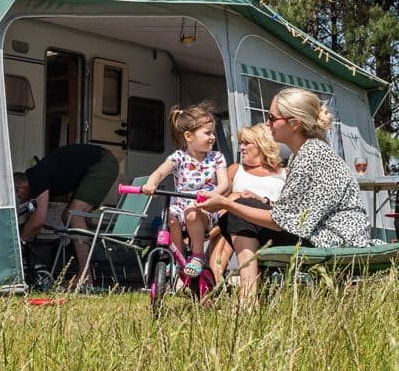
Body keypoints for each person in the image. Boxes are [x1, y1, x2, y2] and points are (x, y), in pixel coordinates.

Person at [199, 87, 375, 299]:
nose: (267, 123)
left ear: (294, 124)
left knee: (237, 213)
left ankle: (248, 298)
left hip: (333, 240)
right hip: (325, 234)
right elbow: (297, 211)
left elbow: (284, 222)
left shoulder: (311, 155)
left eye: (272, 118)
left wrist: (227, 204)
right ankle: (250, 295)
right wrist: (259, 201)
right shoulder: (304, 153)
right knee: (241, 209)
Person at [142, 102, 229, 279]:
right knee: (170, 219)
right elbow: (159, 172)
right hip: (179, 206)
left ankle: (197, 257)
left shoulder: (216, 158)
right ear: (189, 136)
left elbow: (224, 184)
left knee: (191, 212)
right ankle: (178, 257)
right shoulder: (178, 157)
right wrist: (151, 184)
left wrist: (212, 194)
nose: (212, 137)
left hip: (204, 207)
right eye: (207, 133)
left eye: (213, 132)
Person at [14, 143, 119, 287]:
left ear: (20, 187)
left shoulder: (35, 176)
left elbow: (38, 220)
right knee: (68, 216)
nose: (20, 200)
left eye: (18, 196)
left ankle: (85, 277)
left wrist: (19, 242)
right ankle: (83, 273)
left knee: (74, 215)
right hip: (97, 163)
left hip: (102, 163)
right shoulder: (37, 174)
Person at [207, 123, 286, 282]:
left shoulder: (285, 173)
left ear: (262, 145)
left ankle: (213, 285)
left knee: (237, 207)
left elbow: (288, 209)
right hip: (234, 227)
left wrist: (260, 199)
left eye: (246, 143)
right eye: (241, 143)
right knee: (234, 215)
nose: (241, 147)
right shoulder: (236, 169)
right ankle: (215, 284)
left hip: (269, 227)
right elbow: (218, 200)